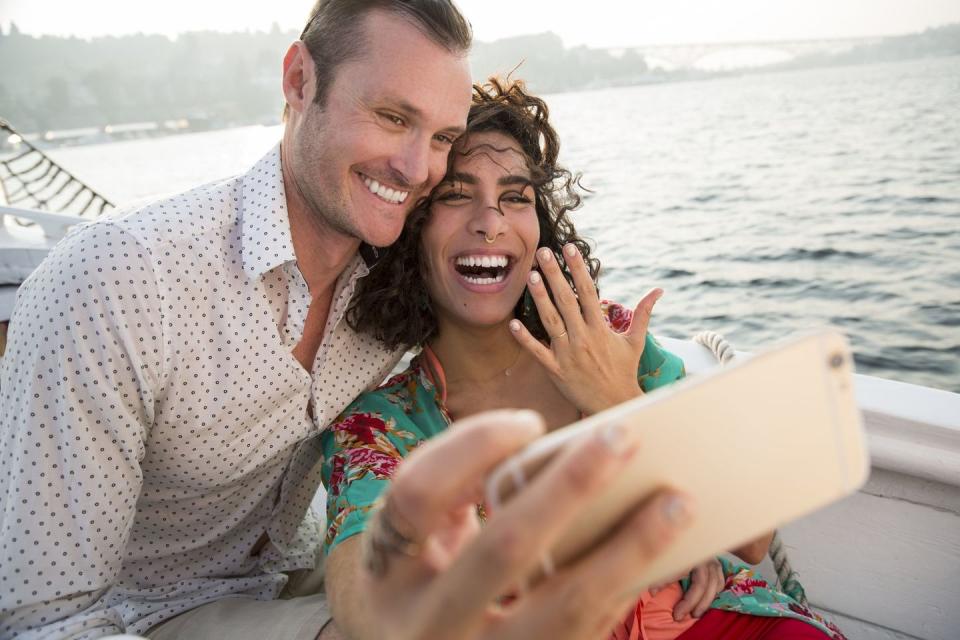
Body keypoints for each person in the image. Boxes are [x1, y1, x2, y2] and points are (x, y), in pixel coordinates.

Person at [0, 2, 697, 640]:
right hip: (147, 611)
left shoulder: (394, 292)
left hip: (291, 575)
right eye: (393, 118)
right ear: (299, 80)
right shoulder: (123, 281)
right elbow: (41, 618)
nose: (415, 166)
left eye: (440, 137)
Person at [320, 78, 848, 640]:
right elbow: (367, 578)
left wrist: (616, 401)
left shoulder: (612, 340)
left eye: (516, 197)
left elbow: (751, 538)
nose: (491, 221)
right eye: (455, 194)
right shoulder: (381, 425)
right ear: (411, 232)